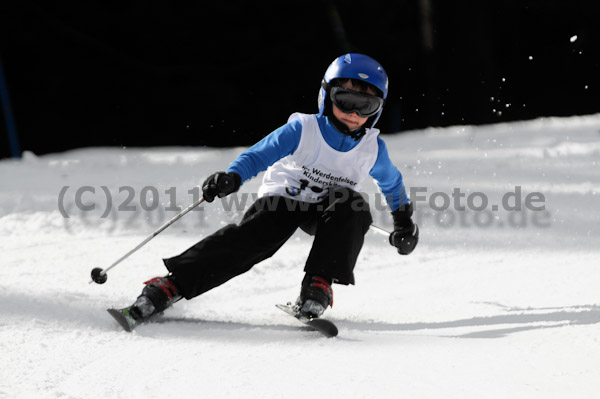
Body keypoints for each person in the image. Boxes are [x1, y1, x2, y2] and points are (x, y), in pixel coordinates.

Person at [124, 53, 419, 323]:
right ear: (327, 96)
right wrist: (233, 177)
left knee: (352, 207)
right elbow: (258, 155)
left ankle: (318, 285)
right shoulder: (303, 129)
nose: (354, 114)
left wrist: (403, 220)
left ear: (377, 109)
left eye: (366, 106)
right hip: (283, 200)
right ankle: (172, 284)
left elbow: (391, 183)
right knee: (257, 237)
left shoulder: (372, 149)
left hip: (326, 211)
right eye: (346, 101)